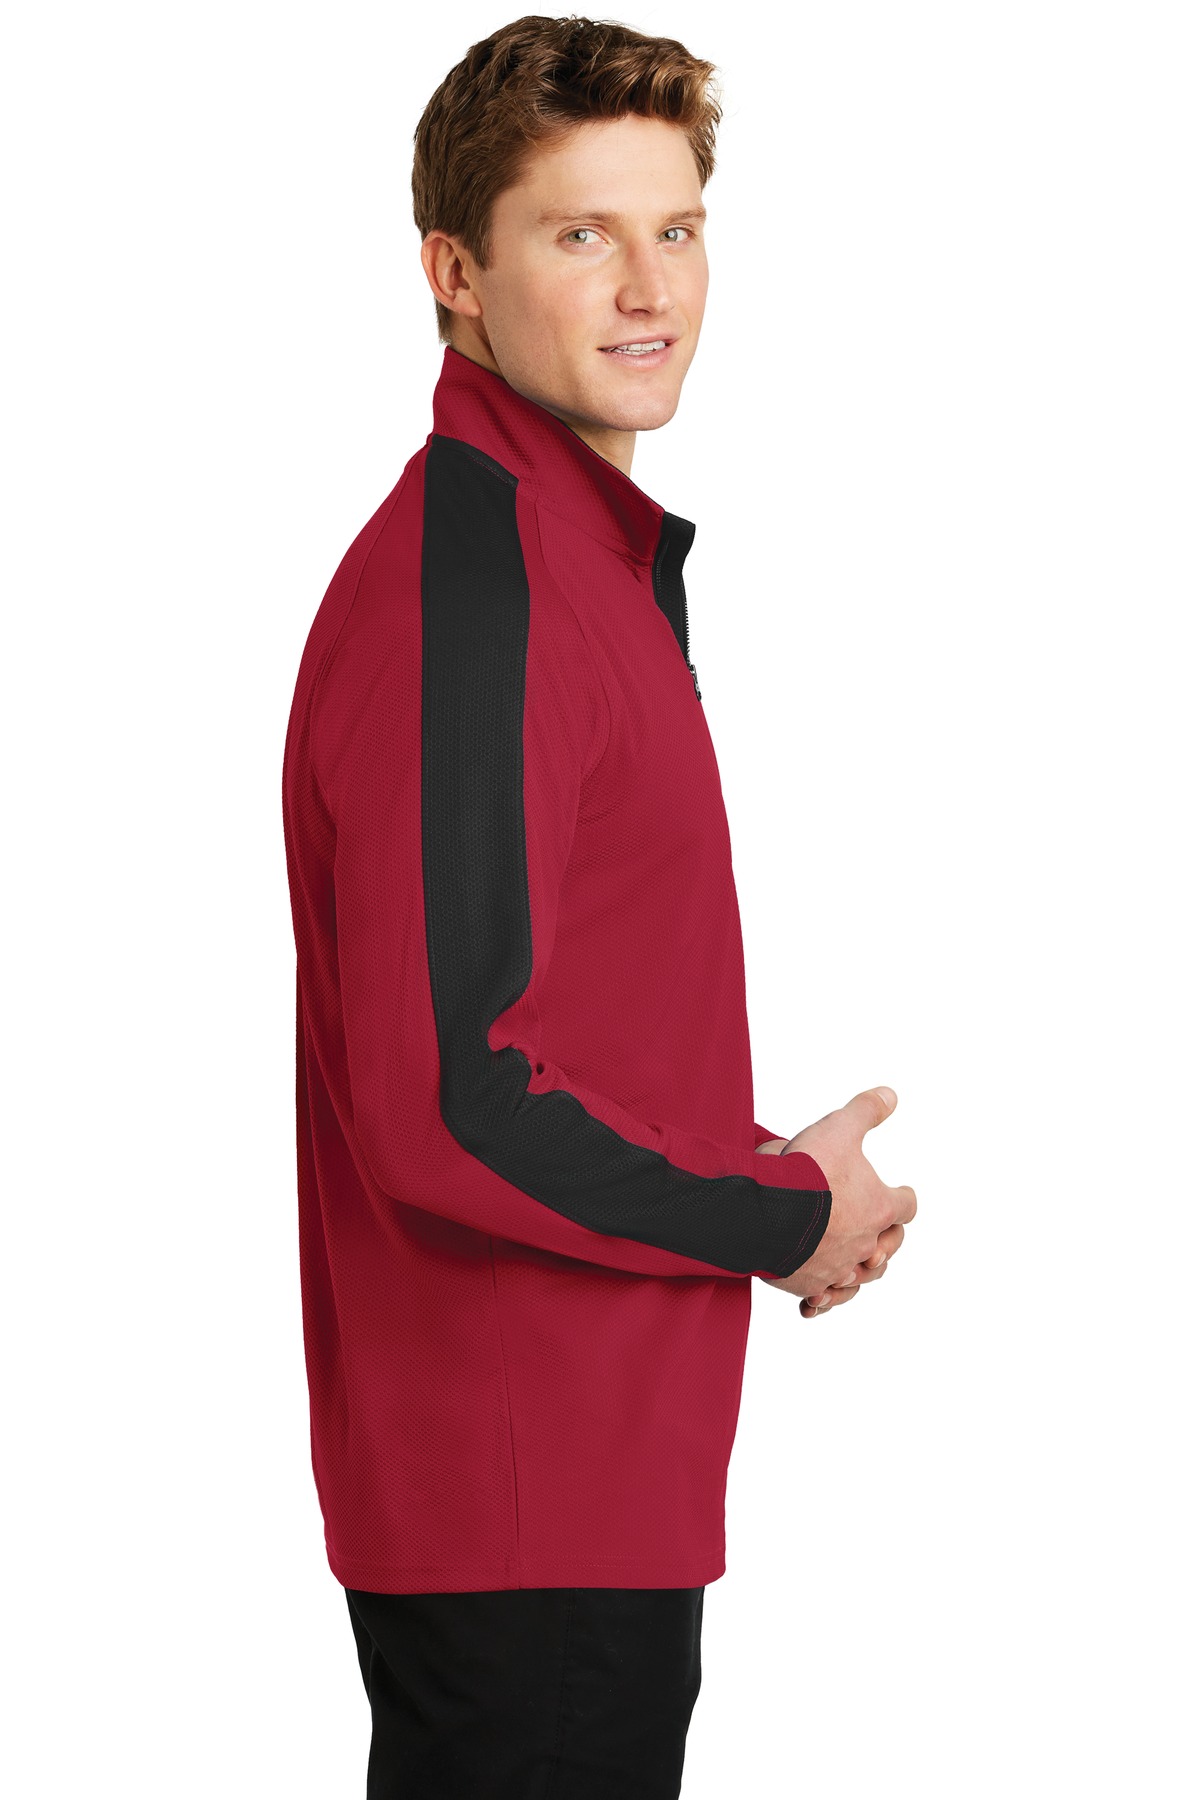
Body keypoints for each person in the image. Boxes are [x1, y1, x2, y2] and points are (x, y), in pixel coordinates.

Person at [280, 14, 918, 1797]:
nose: (652, 290)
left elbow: (549, 1032)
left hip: (584, 1485)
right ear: (454, 273)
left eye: (679, 229)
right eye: (582, 234)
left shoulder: (575, 563)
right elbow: (451, 1100)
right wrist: (779, 1212)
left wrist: (756, 1181)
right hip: (526, 1508)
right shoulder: (479, 594)